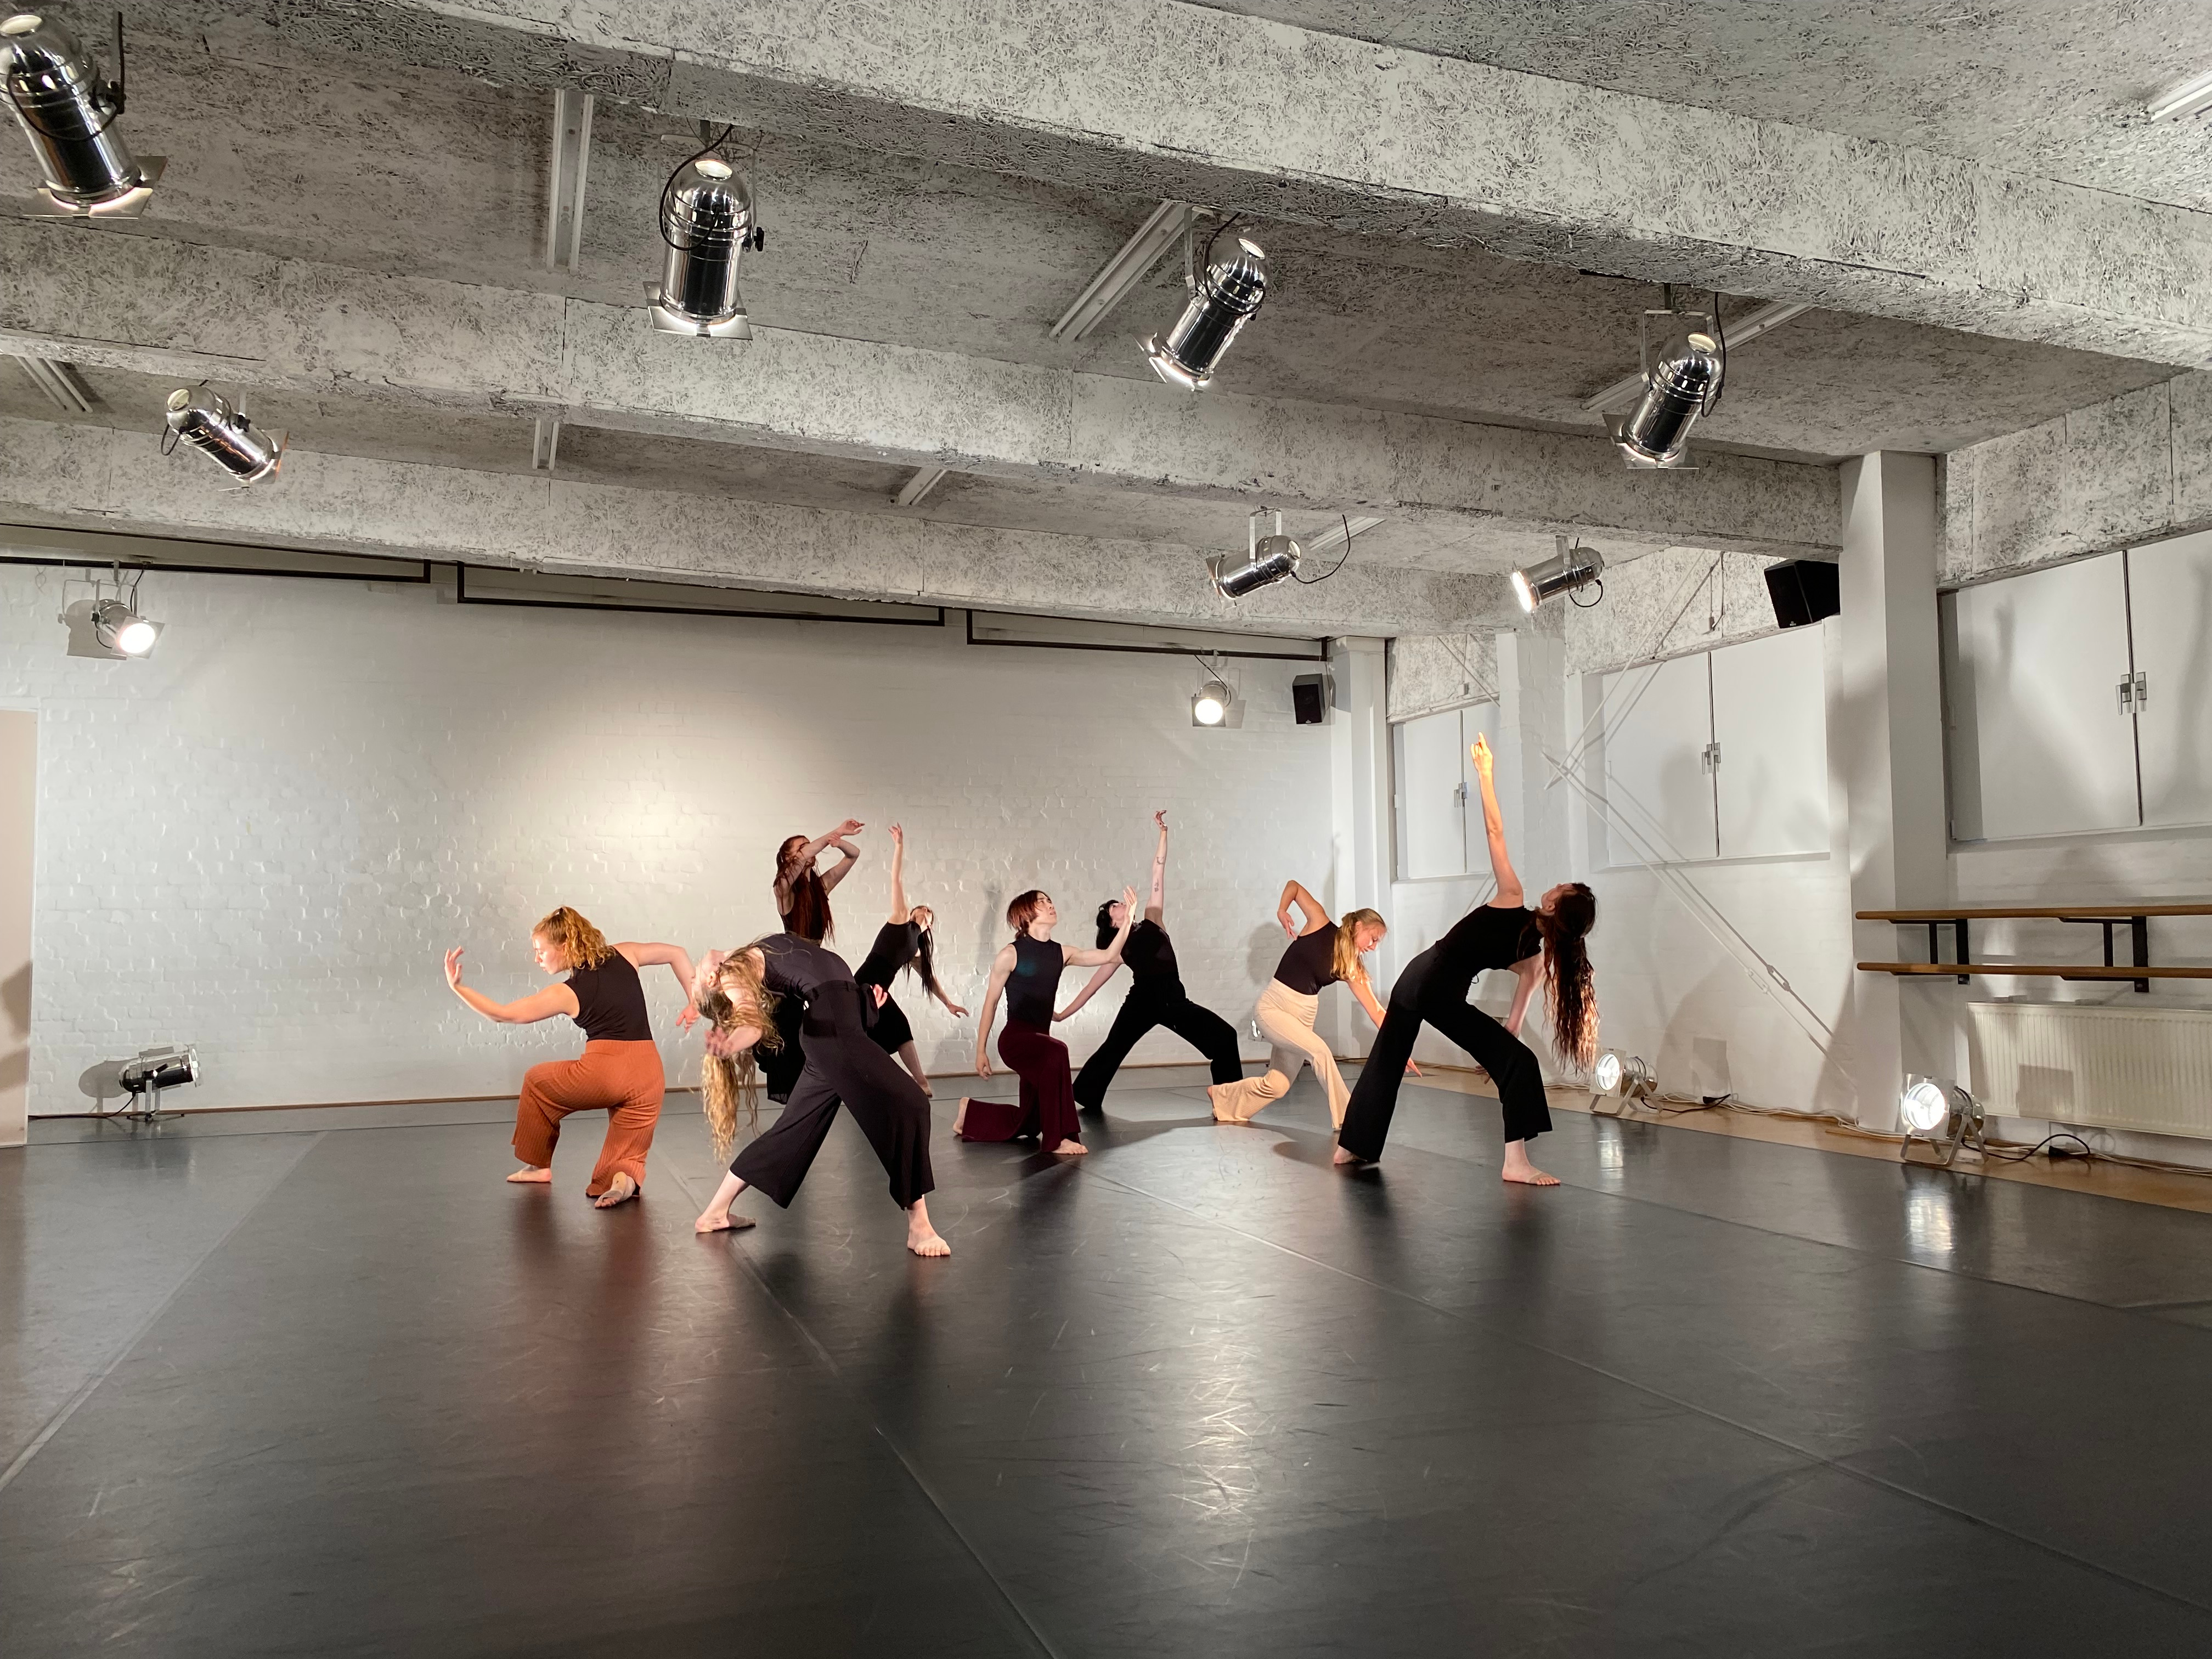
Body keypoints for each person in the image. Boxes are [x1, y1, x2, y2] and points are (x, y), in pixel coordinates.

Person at [1334, 735, 1597, 1183]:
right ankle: (1516, 1163)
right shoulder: (1532, 955)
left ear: (1554, 905)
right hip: (1437, 989)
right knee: (1520, 1063)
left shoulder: (1514, 903)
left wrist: (1485, 775)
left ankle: (1350, 1148)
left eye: (1562, 888)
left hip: (1418, 975)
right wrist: (1501, 1046)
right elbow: (1516, 1018)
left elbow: (1495, 832)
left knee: (1388, 1060)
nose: (1556, 885)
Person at [689, 933, 950, 1257]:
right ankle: (919, 1226)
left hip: (834, 1026)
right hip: (831, 1030)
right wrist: (729, 1045)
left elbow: (819, 975)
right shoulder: (731, 974)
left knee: (792, 1132)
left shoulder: (748, 954)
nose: (692, 973)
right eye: (694, 979)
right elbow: (753, 1024)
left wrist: (862, 1002)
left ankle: (715, 1213)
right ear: (712, 980)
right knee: (911, 1104)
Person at [443, 906, 696, 1208]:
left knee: (536, 1081)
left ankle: (538, 1167)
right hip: (650, 1074)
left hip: (606, 1071)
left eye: (540, 951)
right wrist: (694, 1001)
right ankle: (623, 1182)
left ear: (564, 946)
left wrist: (458, 988)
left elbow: (503, 1015)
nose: (537, 958)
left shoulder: (567, 992)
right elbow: (677, 953)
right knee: (626, 1153)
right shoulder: (626, 953)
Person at [1066, 810, 1243, 1113]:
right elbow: (1092, 987)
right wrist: (1062, 1014)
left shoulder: (1153, 918)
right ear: (1112, 923)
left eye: (1119, 902)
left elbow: (1158, 872)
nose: (1120, 903)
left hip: (1173, 1000)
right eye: (1114, 907)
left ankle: (1230, 1102)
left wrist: (1163, 833)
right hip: (1142, 1002)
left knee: (1226, 1037)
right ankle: (1084, 1095)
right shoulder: (1118, 948)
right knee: (1114, 1047)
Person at [1204, 885, 1408, 1129]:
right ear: (1358, 926)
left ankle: (1222, 1097)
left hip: (1303, 1016)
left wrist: (1400, 1046)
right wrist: (1282, 911)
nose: (1373, 947)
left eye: (1377, 943)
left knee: (1278, 1086)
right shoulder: (1320, 922)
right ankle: (1350, 1119)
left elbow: (1377, 1011)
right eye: (1373, 939)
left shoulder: (1351, 967)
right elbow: (1294, 887)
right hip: (1273, 1008)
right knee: (1321, 1052)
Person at [955, 886, 1137, 1156]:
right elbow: (990, 1003)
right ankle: (1060, 1139)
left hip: (1041, 1042)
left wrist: (1129, 918)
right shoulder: (1010, 954)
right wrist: (980, 1050)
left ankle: (969, 1113)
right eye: (1042, 902)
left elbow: (1109, 956)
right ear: (1026, 913)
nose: (1051, 905)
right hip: (1016, 1040)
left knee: (1031, 1123)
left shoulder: (1062, 953)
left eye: (1050, 900)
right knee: (1058, 1050)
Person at [854, 823, 967, 1093]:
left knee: (893, 1030)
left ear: (930, 926)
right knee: (889, 1029)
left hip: (879, 993)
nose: (924, 910)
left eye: (928, 911)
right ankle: (915, 1082)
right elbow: (897, 880)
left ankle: (917, 1082)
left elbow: (931, 979)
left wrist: (949, 1003)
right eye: (922, 907)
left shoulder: (916, 950)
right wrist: (899, 846)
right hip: (863, 985)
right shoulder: (901, 920)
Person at [761, 819, 864, 1105]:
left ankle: (835, 1080)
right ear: (788, 858)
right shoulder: (783, 889)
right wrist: (834, 832)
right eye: (802, 847)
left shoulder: (821, 887)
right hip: (791, 965)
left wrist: (839, 841)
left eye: (810, 845)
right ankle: (796, 1093)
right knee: (790, 1030)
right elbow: (805, 856)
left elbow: (854, 855)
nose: (810, 849)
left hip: (815, 964)